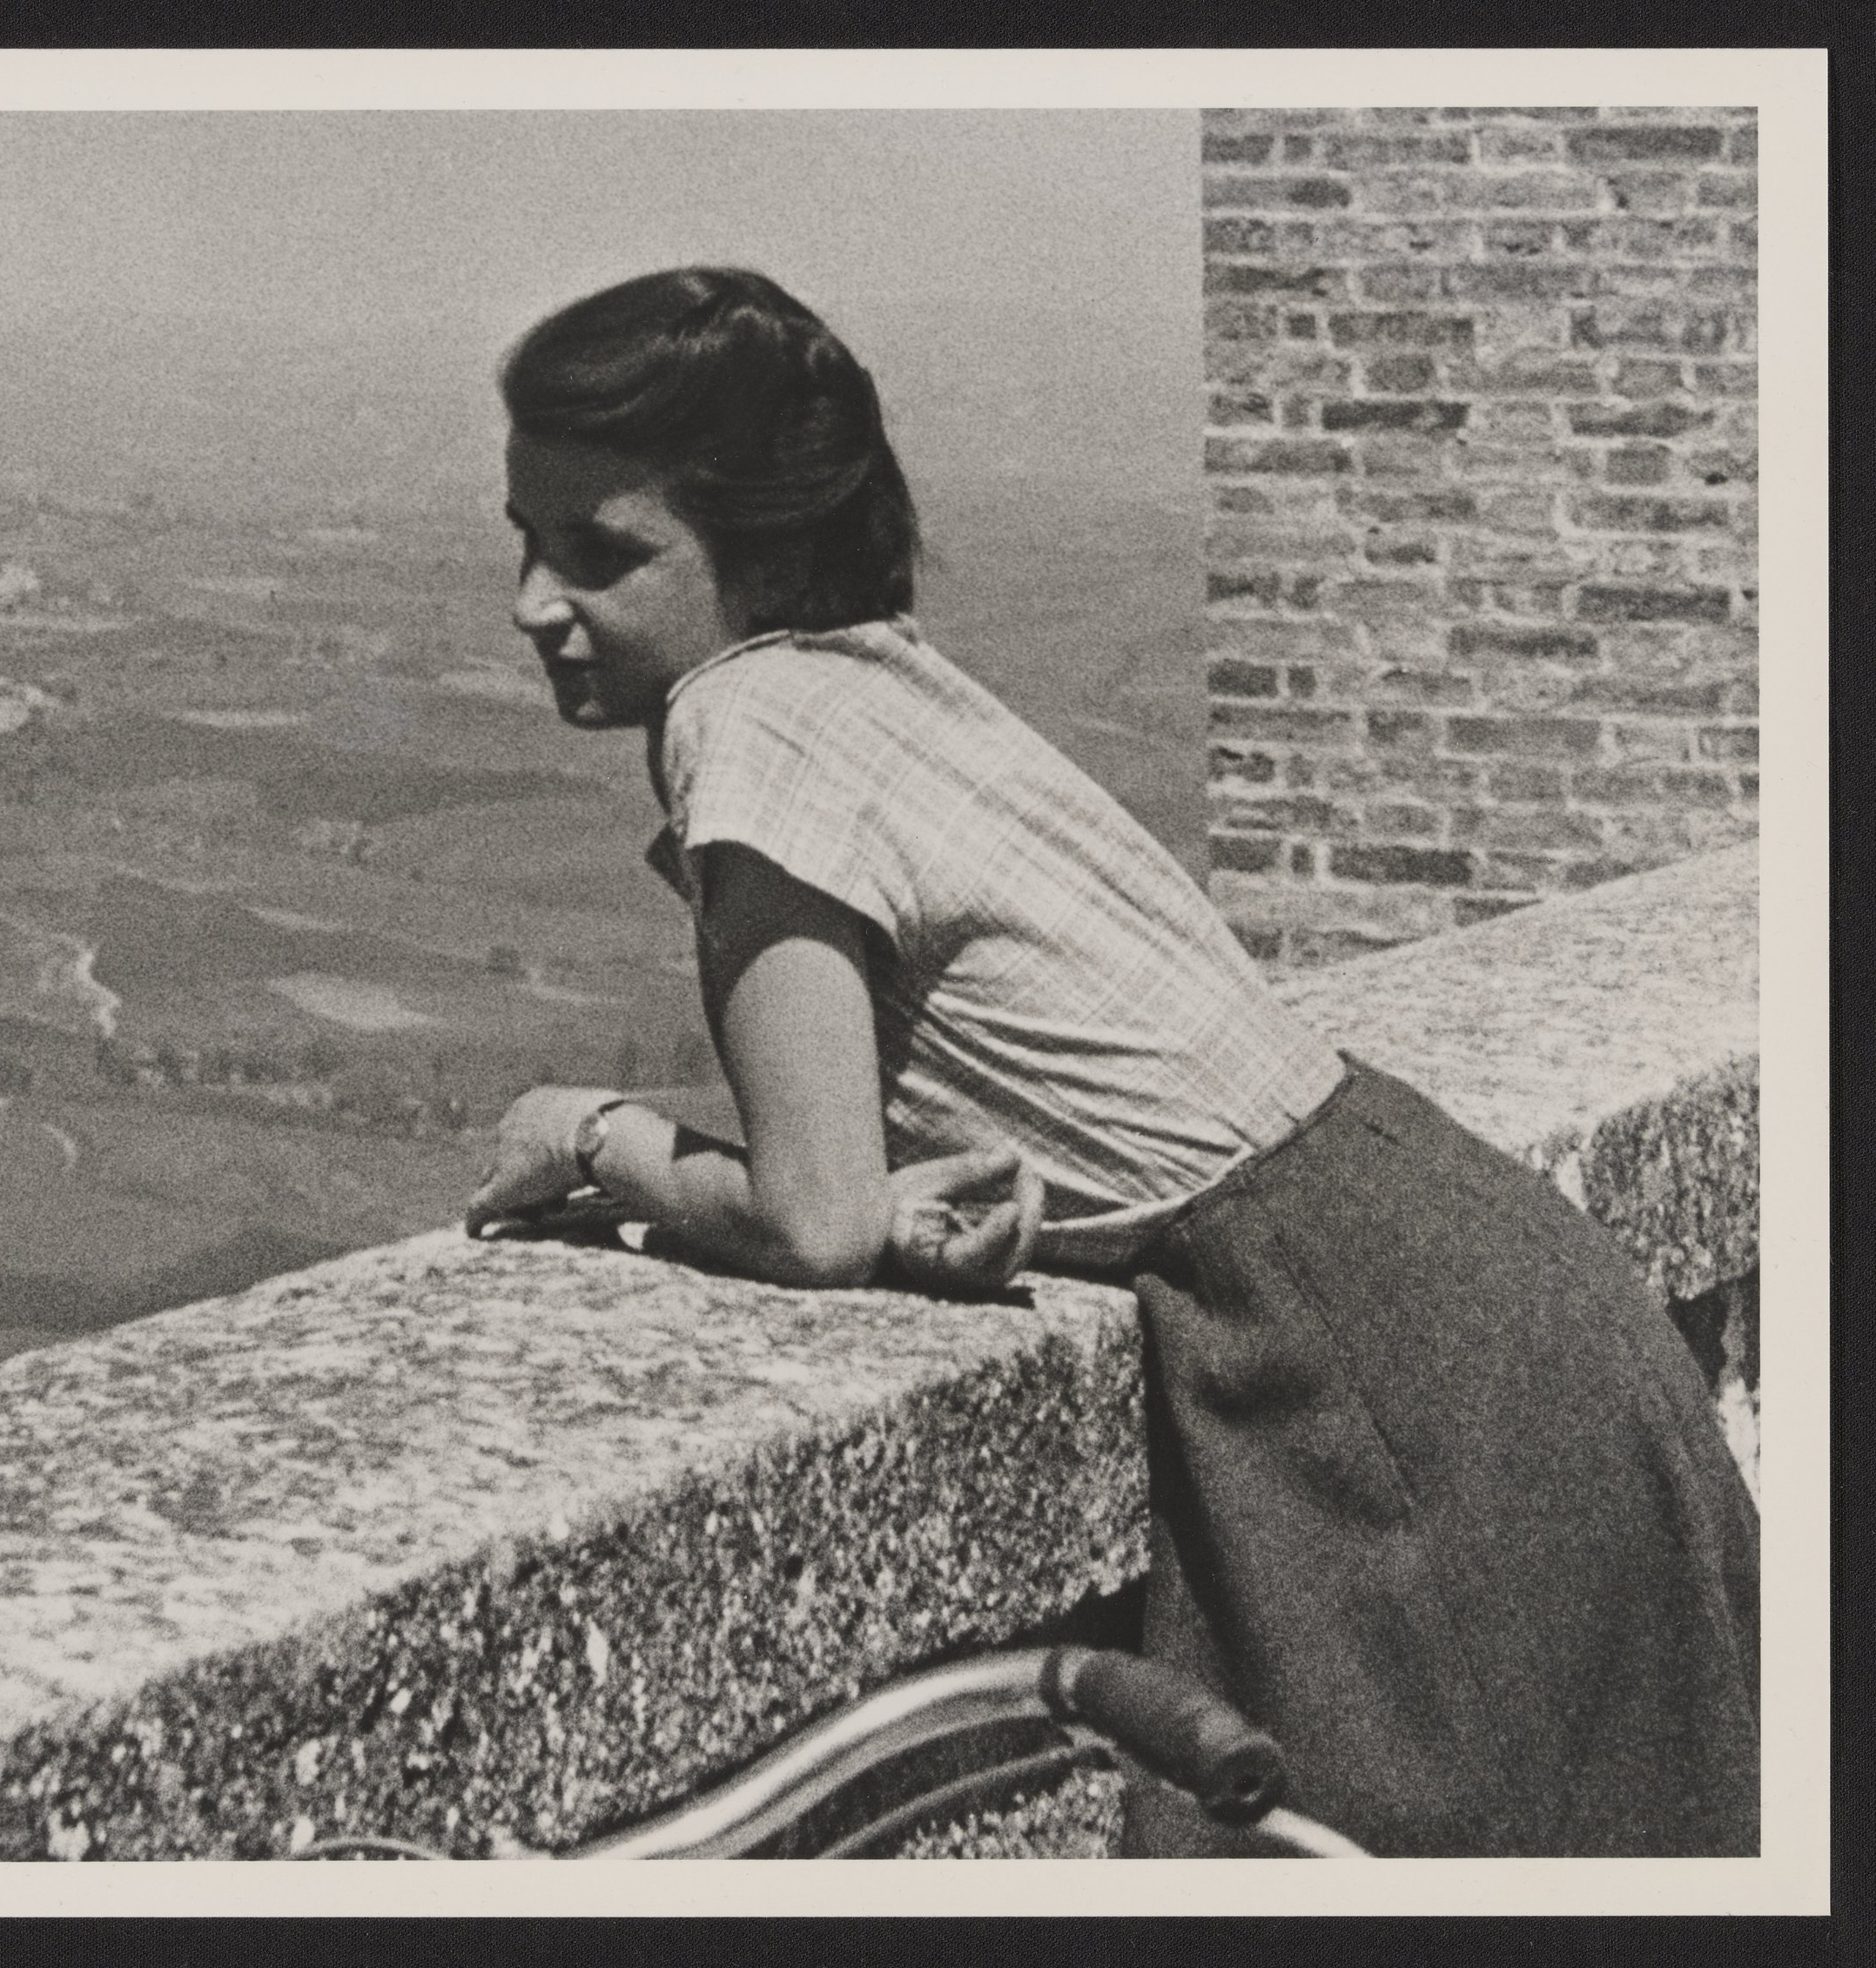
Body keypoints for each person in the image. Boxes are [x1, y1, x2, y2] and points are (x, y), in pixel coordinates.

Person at [462, 266, 1759, 1858]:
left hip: (1368, 1348)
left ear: (770, 552)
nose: (534, 601)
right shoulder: (867, 679)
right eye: (526, 541)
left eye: (601, 553)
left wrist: (588, 1132)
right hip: (1461, 1263)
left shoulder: (747, 724)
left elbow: (814, 1220)